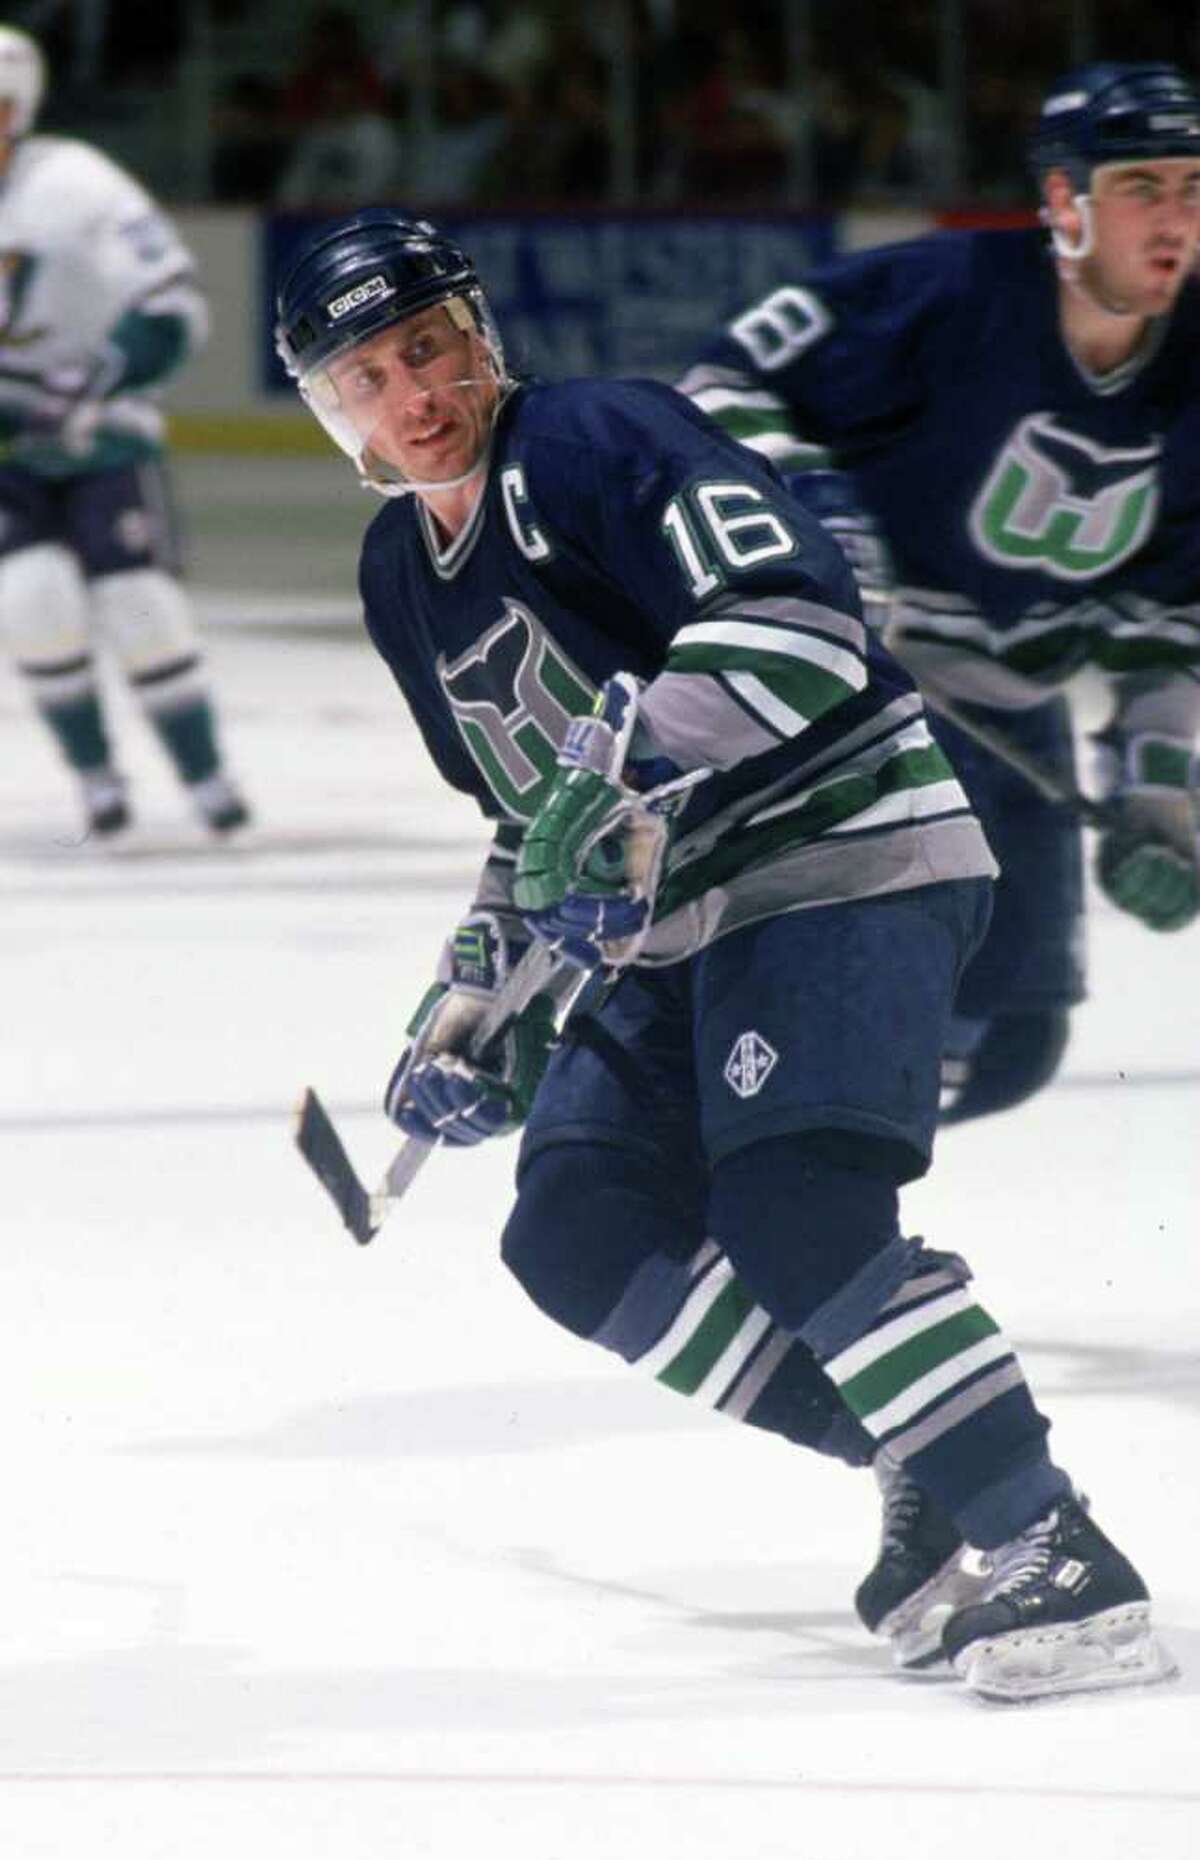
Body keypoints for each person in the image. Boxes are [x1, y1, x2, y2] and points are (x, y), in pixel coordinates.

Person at [275, 204, 1174, 1701]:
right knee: (576, 1228)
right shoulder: (400, 576)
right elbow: (528, 828)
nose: (414, 393)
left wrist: (613, 787)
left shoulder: (598, 440)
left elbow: (804, 623)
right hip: (681, 918)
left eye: (427, 347)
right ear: (329, 407)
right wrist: (468, 1021)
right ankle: (922, 1452)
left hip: (840, 853)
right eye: (367, 376)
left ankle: (1057, 1541)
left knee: (796, 1202)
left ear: (478, 332)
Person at [679, 59, 1200, 1129]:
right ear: (1065, 201)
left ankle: (801, 1190)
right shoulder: (941, 298)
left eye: (1194, 187)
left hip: (1014, 719)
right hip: (855, 720)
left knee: (1012, 1041)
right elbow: (717, 389)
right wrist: (810, 513)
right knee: (846, 1025)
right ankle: (766, 1204)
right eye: (1142, 186)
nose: (1176, 219)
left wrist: (1157, 796)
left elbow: (1171, 619)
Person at [0, 24, 249, 837]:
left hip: (101, 432)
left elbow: (172, 306)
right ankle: (96, 778)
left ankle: (205, 776)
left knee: (141, 605)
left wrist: (96, 377)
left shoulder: (74, 184)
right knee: (32, 600)